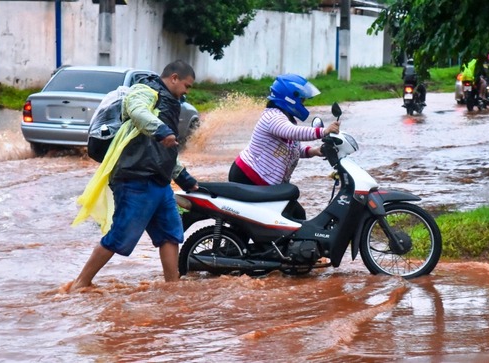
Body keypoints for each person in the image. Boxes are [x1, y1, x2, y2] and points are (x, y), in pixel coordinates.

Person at [69, 60, 199, 291]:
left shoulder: (172, 103)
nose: (187, 92)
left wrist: (185, 179)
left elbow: (167, 149)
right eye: (187, 86)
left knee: (170, 234)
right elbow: (137, 111)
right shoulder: (145, 90)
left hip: (159, 182)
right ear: (174, 78)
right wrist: (161, 131)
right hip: (135, 178)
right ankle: (81, 283)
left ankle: (173, 287)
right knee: (120, 236)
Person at [228, 73, 340, 219]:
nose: (304, 103)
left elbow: (294, 149)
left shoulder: (287, 119)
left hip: (266, 183)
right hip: (249, 177)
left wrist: (315, 151)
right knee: (271, 220)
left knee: (296, 214)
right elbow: (293, 132)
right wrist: (323, 131)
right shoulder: (272, 117)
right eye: (302, 99)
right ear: (290, 98)